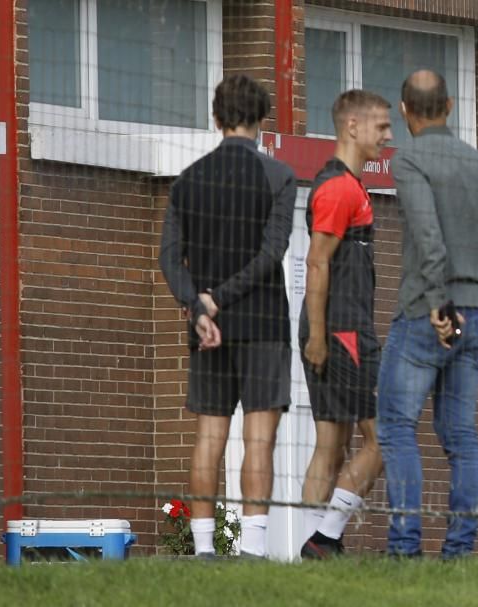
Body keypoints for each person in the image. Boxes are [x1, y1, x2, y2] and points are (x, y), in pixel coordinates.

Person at [377, 70, 478, 559]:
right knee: (461, 435)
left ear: (404, 111)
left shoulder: (409, 160)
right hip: (477, 315)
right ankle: (460, 551)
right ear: (449, 106)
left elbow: (426, 235)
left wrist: (438, 303)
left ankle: (404, 548)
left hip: (427, 310)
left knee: (398, 425)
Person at [159, 74, 296, 559]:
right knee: (259, 439)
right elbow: (271, 254)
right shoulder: (279, 177)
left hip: (207, 331)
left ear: (215, 119)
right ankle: (253, 552)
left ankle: (202, 551)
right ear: (260, 119)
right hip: (263, 326)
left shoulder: (187, 181)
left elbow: (169, 260)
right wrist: (219, 298)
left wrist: (199, 306)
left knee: (208, 437)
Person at [299, 90, 393, 559]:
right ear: (352, 126)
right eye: (381, 126)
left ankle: (311, 549)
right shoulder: (337, 188)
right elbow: (317, 263)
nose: (388, 135)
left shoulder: (351, 186)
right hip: (342, 332)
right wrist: (318, 335)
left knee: (331, 442)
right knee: (386, 435)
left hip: (339, 329)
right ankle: (326, 536)